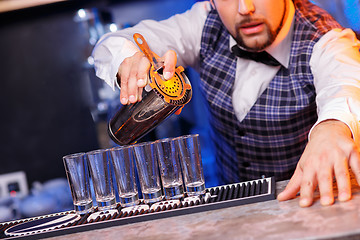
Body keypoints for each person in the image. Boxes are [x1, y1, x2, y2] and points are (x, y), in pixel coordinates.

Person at [92, 0, 360, 207]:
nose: (246, 9)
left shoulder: (326, 39)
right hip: (230, 209)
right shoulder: (204, 22)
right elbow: (114, 43)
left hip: (306, 207)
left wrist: (332, 128)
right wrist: (130, 59)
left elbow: (345, 84)